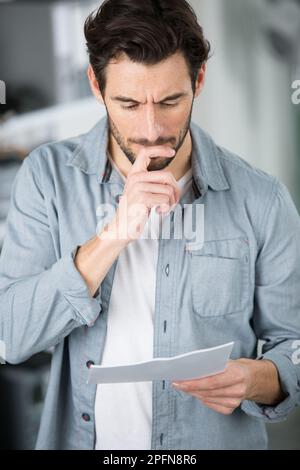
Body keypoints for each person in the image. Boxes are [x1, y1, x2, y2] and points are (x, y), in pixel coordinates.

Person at [0, 0, 299, 450]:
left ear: (197, 82)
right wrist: (117, 230)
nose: (151, 127)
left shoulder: (263, 198)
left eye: (170, 101)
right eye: (128, 102)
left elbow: (294, 343)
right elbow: (11, 337)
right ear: (96, 88)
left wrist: (261, 378)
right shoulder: (46, 178)